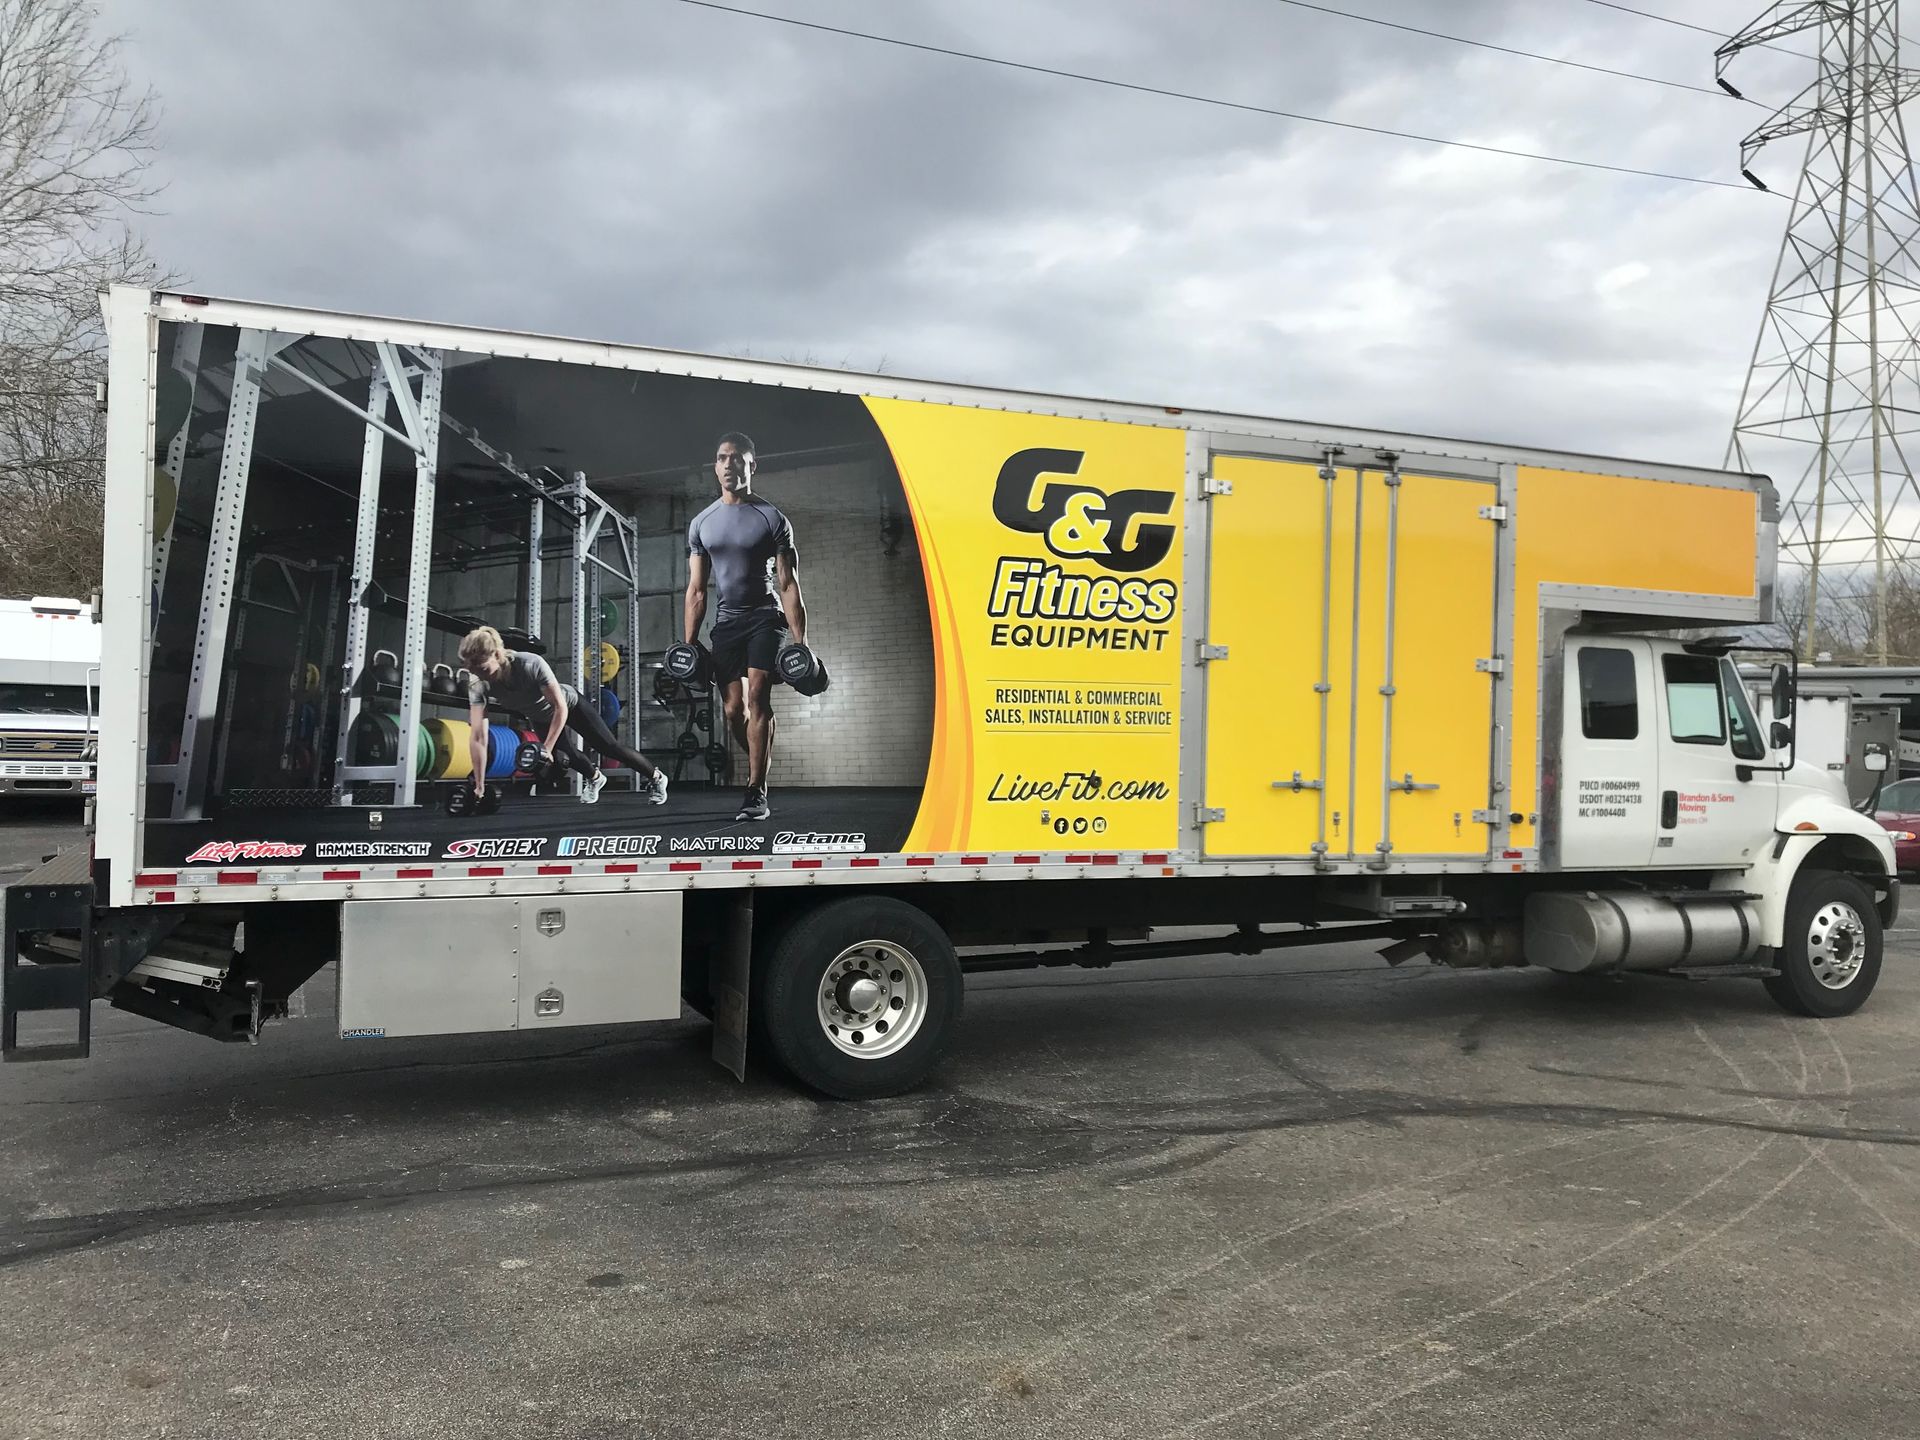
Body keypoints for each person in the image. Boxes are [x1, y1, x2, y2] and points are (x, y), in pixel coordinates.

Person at [684, 431, 807, 822]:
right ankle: (761, 749)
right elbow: (697, 590)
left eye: (737, 458)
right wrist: (688, 647)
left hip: (764, 618)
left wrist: (801, 643)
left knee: (757, 698)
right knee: (733, 710)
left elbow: (787, 584)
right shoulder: (702, 523)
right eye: (722, 458)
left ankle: (756, 790)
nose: (728, 465)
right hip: (727, 623)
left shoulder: (772, 518)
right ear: (715, 466)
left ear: (752, 465)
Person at [457, 626, 667, 805]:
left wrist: (546, 748)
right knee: (567, 757)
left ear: (496, 655)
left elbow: (560, 707)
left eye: (484, 669)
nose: (480, 675)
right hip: (539, 717)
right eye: (474, 670)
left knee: (608, 747)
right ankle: (594, 778)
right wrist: (479, 783)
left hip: (570, 705)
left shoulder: (530, 664)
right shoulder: (478, 685)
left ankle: (657, 778)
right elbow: (478, 737)